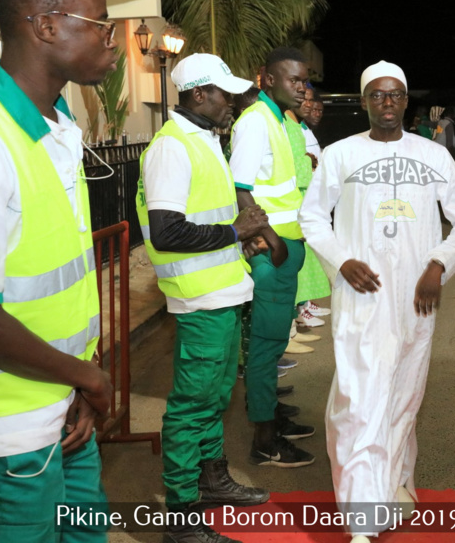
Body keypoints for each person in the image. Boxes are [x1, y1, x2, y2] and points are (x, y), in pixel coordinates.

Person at [300, 61, 455, 543]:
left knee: (403, 396)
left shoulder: (434, 156)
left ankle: (394, 489)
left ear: (406, 101)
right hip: (362, 297)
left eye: (395, 95)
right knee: (359, 399)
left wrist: (439, 264)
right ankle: (361, 518)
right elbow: (313, 218)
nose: (387, 103)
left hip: (415, 301)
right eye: (377, 95)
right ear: (364, 101)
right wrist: (341, 260)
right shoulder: (340, 155)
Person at [0, 0, 116, 543]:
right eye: (101, 25)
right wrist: (88, 379)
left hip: (66, 409)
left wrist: (79, 381)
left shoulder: (60, 128)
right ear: (45, 26)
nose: (115, 42)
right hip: (12, 436)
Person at [136, 53, 271, 542]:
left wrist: (239, 237)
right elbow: (168, 230)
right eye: (224, 93)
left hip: (222, 291)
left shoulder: (206, 139)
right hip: (199, 298)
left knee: (214, 397)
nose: (232, 101)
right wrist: (235, 230)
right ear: (199, 95)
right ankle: (181, 513)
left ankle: (211, 480)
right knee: (192, 405)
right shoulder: (172, 148)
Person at [229, 46, 314, 467]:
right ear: (266, 78)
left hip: (285, 245)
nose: (301, 88)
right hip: (272, 250)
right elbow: (240, 188)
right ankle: (264, 439)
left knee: (275, 340)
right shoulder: (256, 122)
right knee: (264, 348)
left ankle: (273, 417)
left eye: (304, 80)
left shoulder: (277, 119)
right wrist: (272, 240)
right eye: (293, 80)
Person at [284, 84, 331, 333]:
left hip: (305, 200)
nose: (310, 105)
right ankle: (293, 323)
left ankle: (302, 310)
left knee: (306, 265)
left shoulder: (299, 127)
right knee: (296, 270)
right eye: (306, 99)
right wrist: (309, 164)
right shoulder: (286, 125)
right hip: (293, 206)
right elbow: (296, 167)